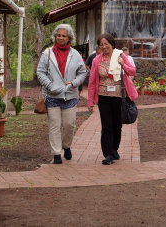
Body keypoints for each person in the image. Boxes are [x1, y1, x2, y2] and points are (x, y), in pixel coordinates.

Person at [37, 24, 87, 164]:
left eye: (63, 36)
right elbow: (40, 72)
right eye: (58, 35)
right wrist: (50, 85)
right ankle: (56, 153)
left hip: (70, 95)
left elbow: (82, 72)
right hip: (52, 96)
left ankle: (66, 146)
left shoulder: (75, 54)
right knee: (54, 125)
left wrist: (74, 83)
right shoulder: (47, 53)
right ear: (55, 36)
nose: (60, 37)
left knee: (69, 125)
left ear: (69, 38)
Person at [88, 33, 138, 165]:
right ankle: (108, 153)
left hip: (119, 97)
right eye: (101, 45)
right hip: (103, 97)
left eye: (106, 44)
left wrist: (123, 64)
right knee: (106, 125)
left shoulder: (121, 56)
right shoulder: (96, 60)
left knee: (117, 125)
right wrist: (90, 101)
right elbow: (92, 82)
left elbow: (132, 71)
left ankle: (114, 150)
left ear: (112, 44)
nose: (104, 47)